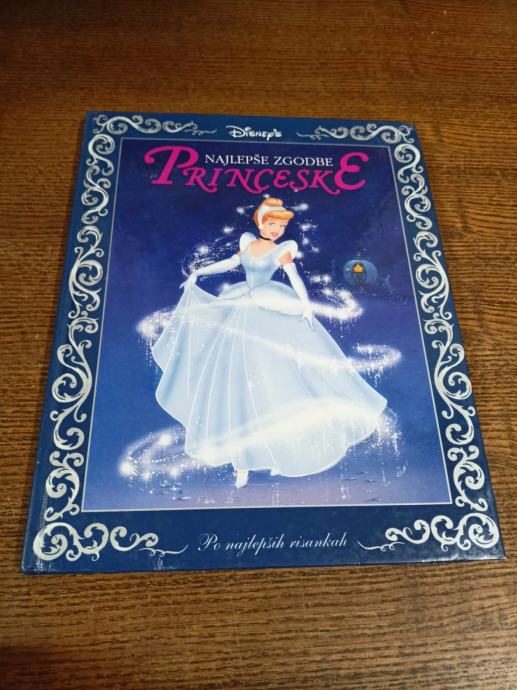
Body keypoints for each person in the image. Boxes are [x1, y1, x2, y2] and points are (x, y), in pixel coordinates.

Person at [151, 198, 387, 488]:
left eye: (282, 225)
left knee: (274, 383)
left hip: (269, 308)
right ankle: (242, 462)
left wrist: (306, 306)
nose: (277, 229)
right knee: (236, 383)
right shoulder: (248, 242)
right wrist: (199, 272)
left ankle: (279, 454)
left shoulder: (282, 249)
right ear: (261, 222)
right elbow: (231, 262)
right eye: (272, 223)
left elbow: (294, 277)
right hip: (241, 309)